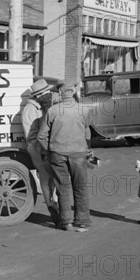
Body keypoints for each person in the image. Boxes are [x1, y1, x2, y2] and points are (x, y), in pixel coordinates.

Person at [37, 84, 92, 232]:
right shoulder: (84, 110)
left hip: (57, 154)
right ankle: (82, 222)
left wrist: (49, 151)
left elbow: (41, 136)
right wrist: (88, 149)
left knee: (62, 188)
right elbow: (86, 130)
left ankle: (66, 222)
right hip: (79, 154)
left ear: (60, 93)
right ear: (73, 92)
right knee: (80, 188)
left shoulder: (53, 111)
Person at [21, 79, 60, 227]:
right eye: (46, 93)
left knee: (54, 179)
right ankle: (53, 209)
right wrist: (44, 149)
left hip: (46, 146)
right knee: (46, 179)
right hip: (37, 147)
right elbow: (31, 136)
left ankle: (56, 205)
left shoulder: (43, 106)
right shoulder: (31, 110)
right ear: (40, 95)